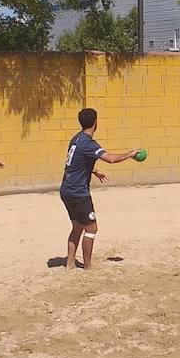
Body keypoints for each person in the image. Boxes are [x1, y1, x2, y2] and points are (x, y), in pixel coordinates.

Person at [60, 108, 141, 270]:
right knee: (91, 228)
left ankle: (70, 264)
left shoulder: (75, 139)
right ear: (96, 123)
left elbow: (74, 163)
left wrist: (94, 171)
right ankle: (88, 266)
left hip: (66, 189)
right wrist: (130, 154)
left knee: (77, 227)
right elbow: (110, 159)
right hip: (78, 192)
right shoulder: (88, 143)